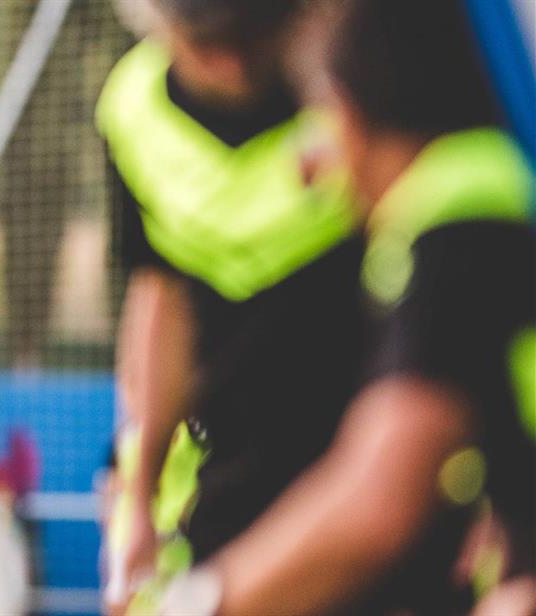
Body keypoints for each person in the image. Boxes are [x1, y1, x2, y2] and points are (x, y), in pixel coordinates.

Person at [162, 0, 535, 613]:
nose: (308, 160)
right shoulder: (480, 189)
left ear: (353, 110)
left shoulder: (459, 208)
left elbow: (378, 495)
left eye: (318, 115)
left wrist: (199, 601)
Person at [95, 0, 368, 611]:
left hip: (371, 454)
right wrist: (140, 501)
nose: (234, 64)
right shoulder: (133, 109)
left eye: (252, 33)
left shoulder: (372, 73)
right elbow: (161, 294)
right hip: (231, 471)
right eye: (207, 43)